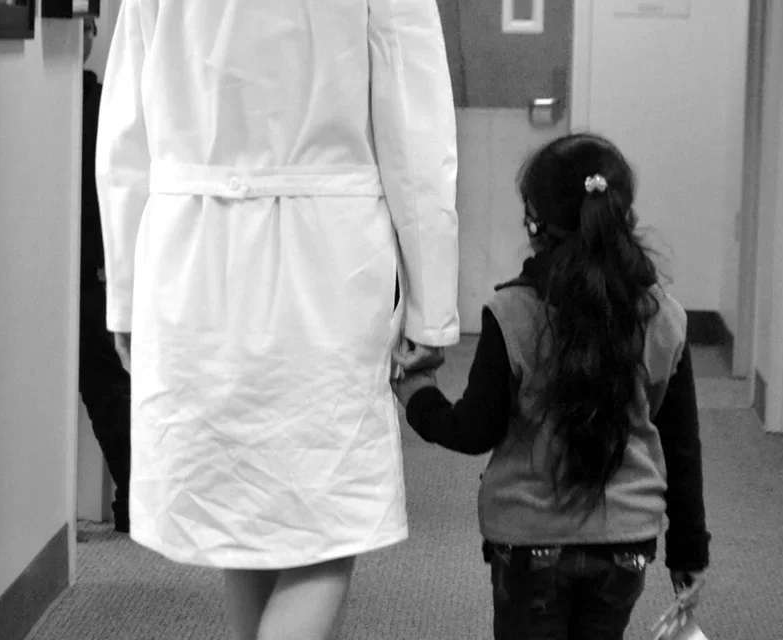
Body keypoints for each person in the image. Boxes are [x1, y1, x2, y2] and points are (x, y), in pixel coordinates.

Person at [94, 1, 458, 639]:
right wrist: (432, 305)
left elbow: (126, 127)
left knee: (244, 517)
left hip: (191, 258)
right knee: (322, 524)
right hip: (325, 267)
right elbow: (415, 129)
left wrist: (125, 292)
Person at [392, 133, 711, 640]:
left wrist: (417, 391)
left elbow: (473, 430)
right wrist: (690, 552)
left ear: (535, 222)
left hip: (527, 544)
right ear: (621, 214)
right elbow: (681, 447)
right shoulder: (663, 316)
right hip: (625, 547)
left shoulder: (513, 313)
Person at [78, 16, 131, 534]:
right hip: (75, 271)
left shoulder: (103, 105)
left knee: (111, 395)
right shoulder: (67, 109)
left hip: (95, 272)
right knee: (110, 394)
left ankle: (134, 500)